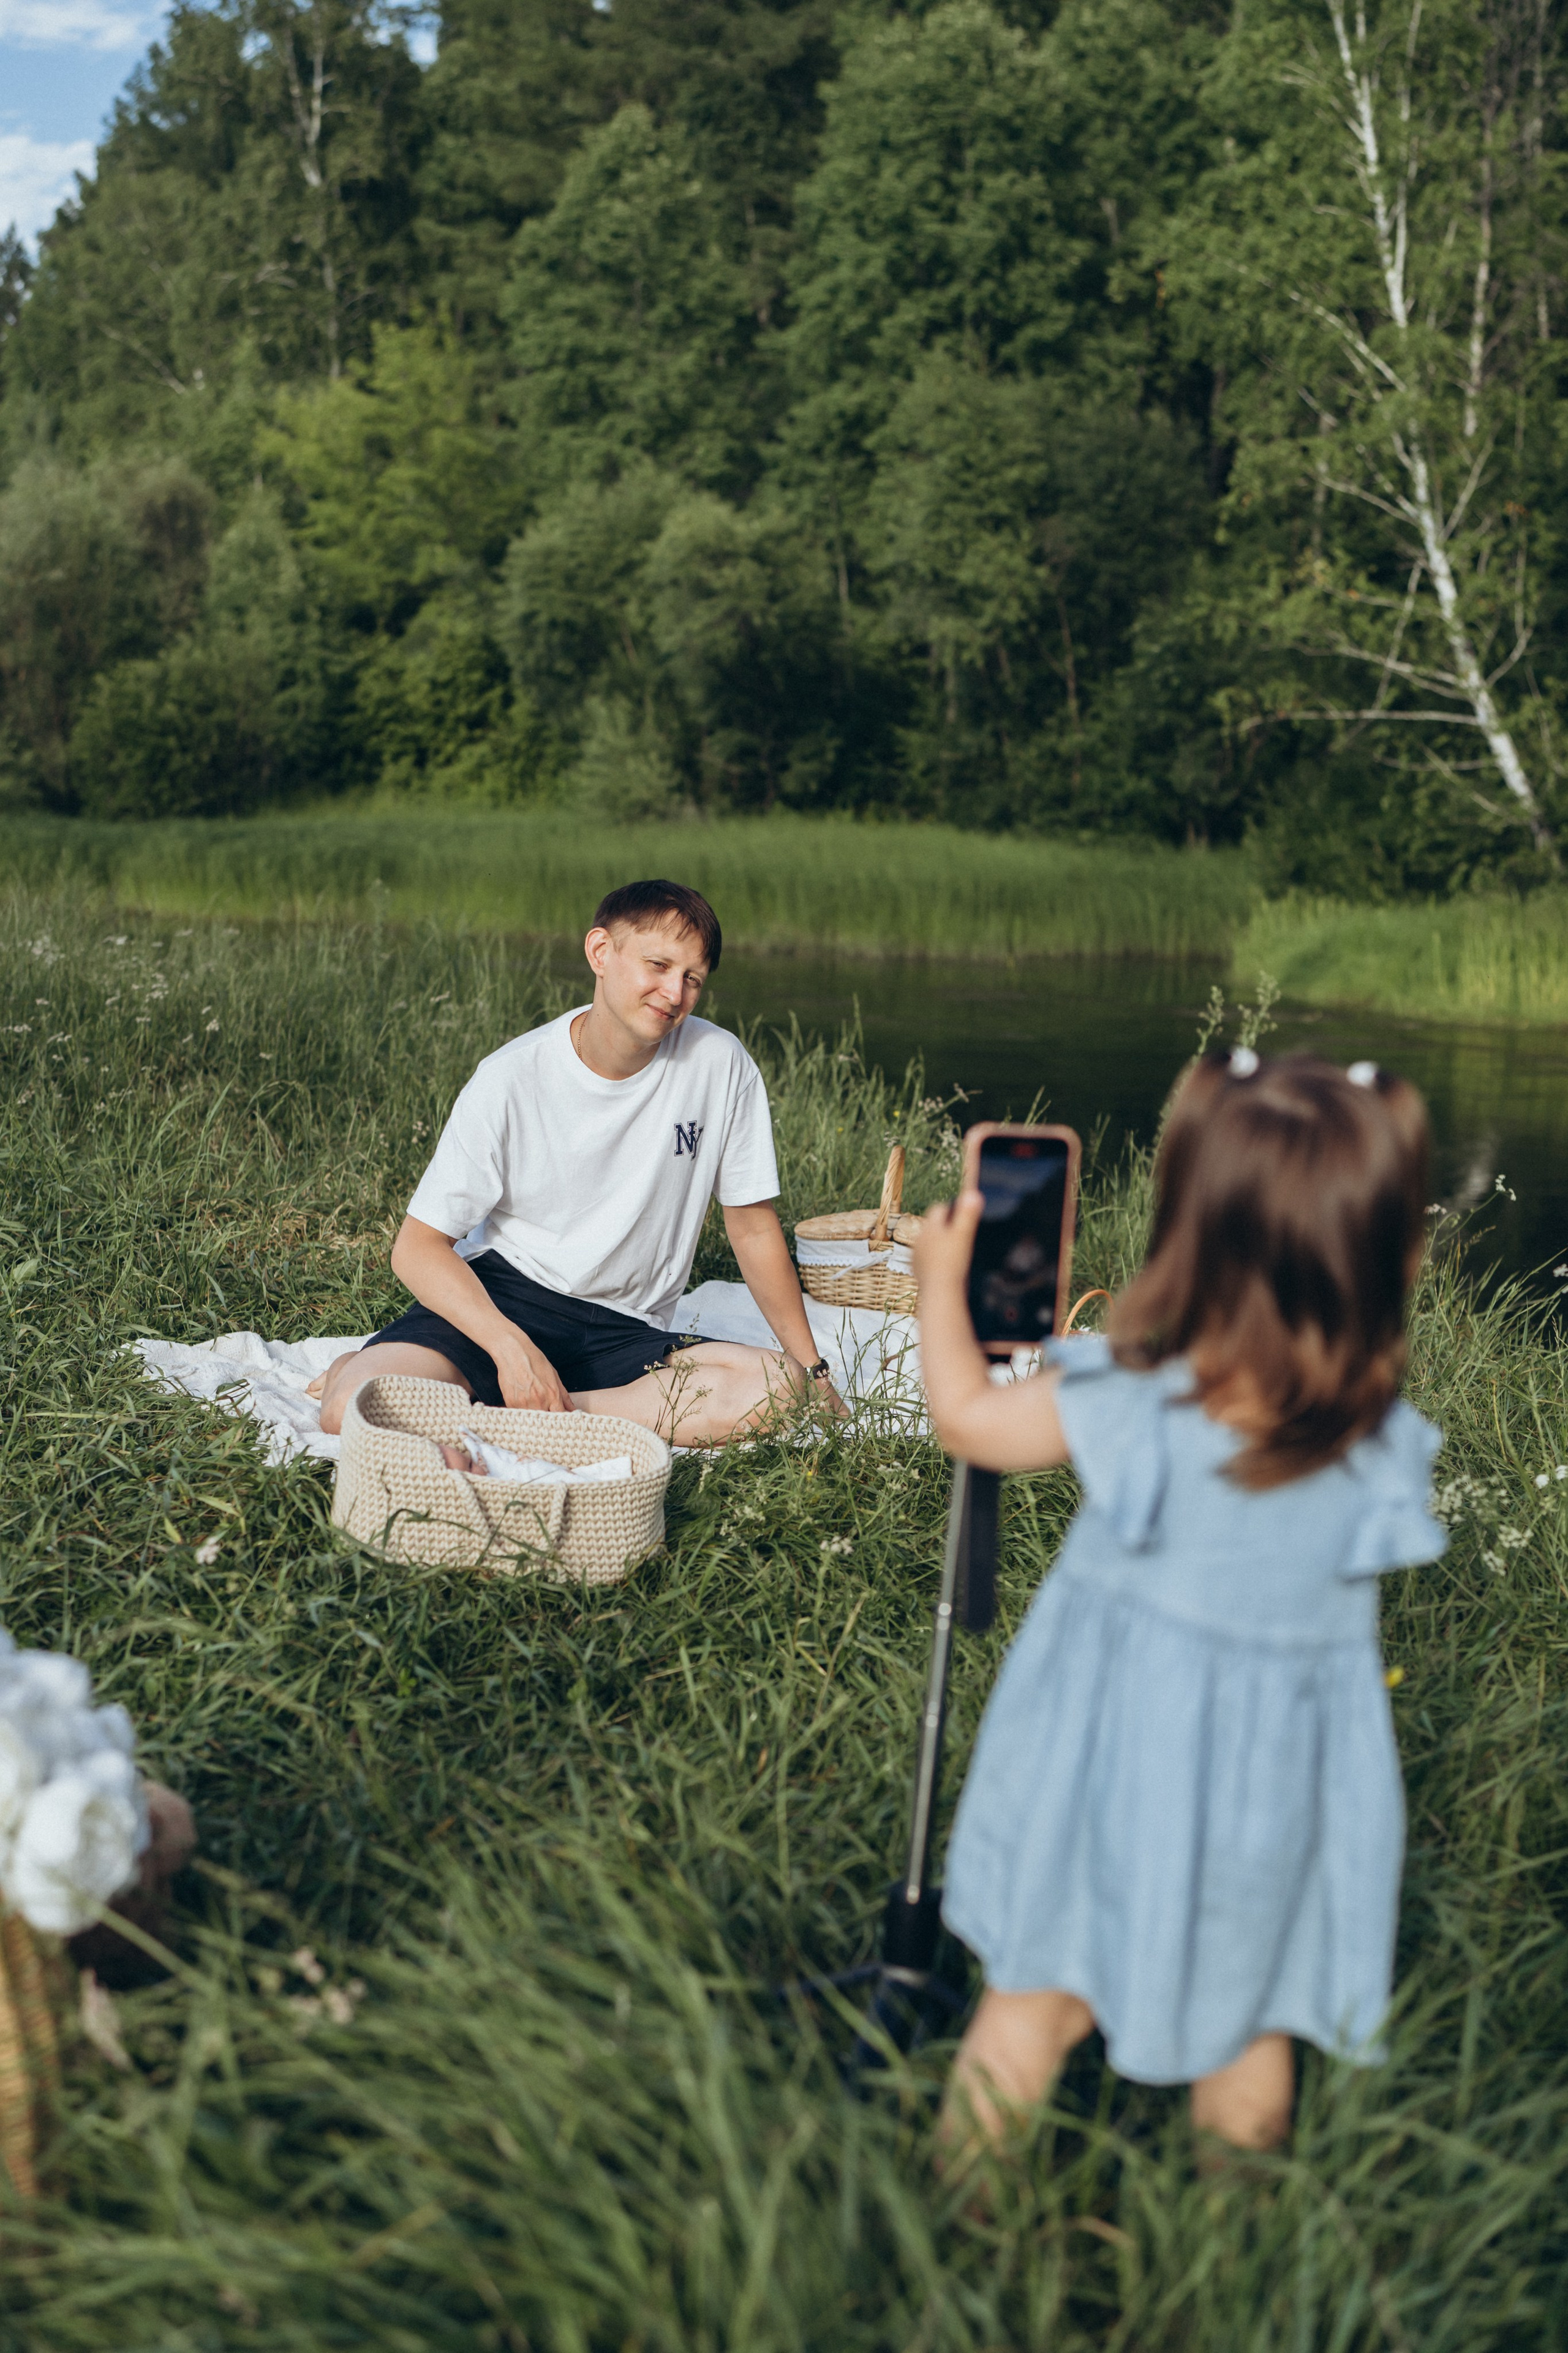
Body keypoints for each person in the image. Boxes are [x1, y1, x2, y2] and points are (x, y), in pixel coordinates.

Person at [911, 1049, 1446, 2158]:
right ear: (1386, 1252)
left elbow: (968, 1419)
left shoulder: (1136, 1398)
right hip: (1270, 1806)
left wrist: (937, 1286)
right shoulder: (1381, 1441)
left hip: (1105, 1780)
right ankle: (1229, 2267)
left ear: (1189, 1229)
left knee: (1028, 2013)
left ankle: (959, 2238)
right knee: (1249, 2039)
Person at [312, 880, 844, 1446]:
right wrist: (511, 1351)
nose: (674, 992)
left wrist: (814, 1370)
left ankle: (521, 1414)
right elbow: (416, 1247)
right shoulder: (511, 1076)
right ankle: (469, 1384)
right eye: (658, 965)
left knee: (781, 1391)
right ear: (601, 952)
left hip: (627, 1328)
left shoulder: (721, 1065)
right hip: (505, 1301)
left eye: (692, 979)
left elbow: (753, 1225)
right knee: (350, 1406)